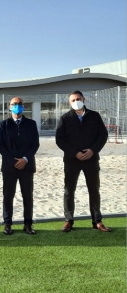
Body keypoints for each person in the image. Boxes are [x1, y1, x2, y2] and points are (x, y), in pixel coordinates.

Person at [55, 90, 110, 232]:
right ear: (69, 102)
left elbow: (103, 135)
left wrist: (93, 150)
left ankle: (97, 221)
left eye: (78, 99)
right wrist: (75, 153)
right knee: (69, 191)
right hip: (72, 161)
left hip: (91, 160)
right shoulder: (65, 118)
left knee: (94, 190)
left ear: (84, 99)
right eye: (73, 100)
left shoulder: (94, 116)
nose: (76, 102)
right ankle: (68, 221)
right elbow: (60, 139)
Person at [0, 97, 39, 235]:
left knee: (28, 195)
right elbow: (1, 146)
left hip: (27, 166)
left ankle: (28, 224)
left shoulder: (31, 124)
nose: (17, 106)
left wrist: (25, 159)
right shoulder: (4, 125)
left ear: (23, 106)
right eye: (14, 104)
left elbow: (35, 144)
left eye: (19, 104)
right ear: (9, 107)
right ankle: (7, 224)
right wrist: (13, 161)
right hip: (9, 167)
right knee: (8, 196)